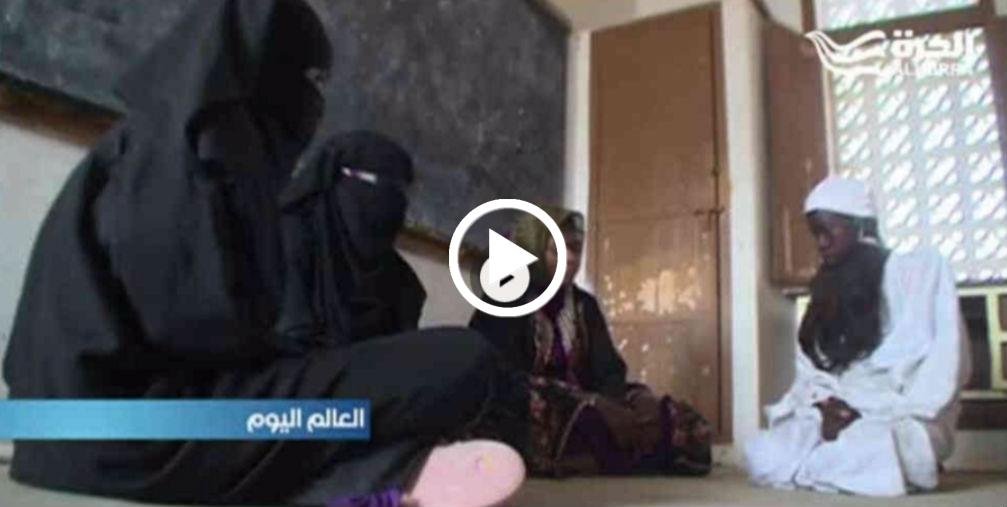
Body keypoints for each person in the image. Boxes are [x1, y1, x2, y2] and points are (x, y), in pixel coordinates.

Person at [3, 1, 523, 506]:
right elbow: (199, 331)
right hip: (136, 432)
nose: (315, 100)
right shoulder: (203, 154)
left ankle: (371, 471)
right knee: (462, 360)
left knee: (378, 382)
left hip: (52, 431)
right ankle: (373, 476)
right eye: (310, 79)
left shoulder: (149, 144)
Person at [744, 176, 971, 497]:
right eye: (815, 234)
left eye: (828, 231)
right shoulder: (825, 290)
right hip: (837, 411)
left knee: (872, 449)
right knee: (766, 453)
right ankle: (838, 459)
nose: (821, 243)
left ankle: (873, 460)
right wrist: (825, 407)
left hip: (901, 413)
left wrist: (864, 411)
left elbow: (940, 362)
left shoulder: (916, 271)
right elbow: (812, 372)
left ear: (862, 225)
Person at [470, 207, 713, 477]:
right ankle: (611, 452)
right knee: (584, 418)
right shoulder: (505, 296)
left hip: (588, 398)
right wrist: (582, 403)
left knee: (679, 421)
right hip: (527, 405)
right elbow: (496, 375)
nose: (571, 259)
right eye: (558, 250)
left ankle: (604, 453)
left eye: (575, 249)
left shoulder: (584, 305)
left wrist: (617, 403)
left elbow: (609, 369)